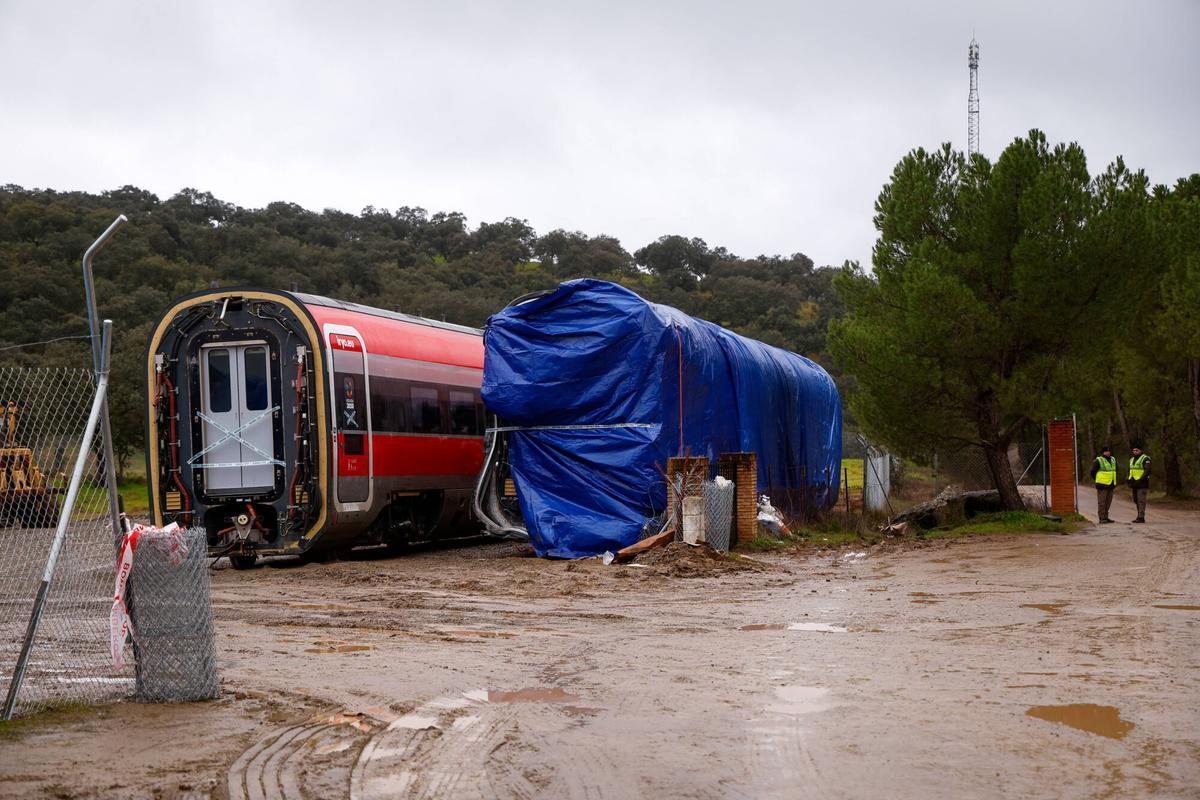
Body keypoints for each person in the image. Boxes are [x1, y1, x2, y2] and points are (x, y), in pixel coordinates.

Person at [1089, 445, 1117, 523]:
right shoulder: (1098, 460)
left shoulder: (1113, 459)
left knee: (1108, 502)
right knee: (1102, 502)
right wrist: (1097, 479)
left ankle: (1106, 517)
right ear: (1103, 452)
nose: (1108, 452)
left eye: (1109, 451)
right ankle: (1102, 518)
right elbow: (1092, 472)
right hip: (1102, 484)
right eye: (1106, 451)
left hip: (1111, 484)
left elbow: (1114, 471)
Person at [1127, 445, 1151, 523]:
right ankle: (1139, 516)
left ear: (1140, 450)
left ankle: (1141, 517)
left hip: (1142, 483)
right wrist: (1128, 479)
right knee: (1136, 500)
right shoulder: (1132, 459)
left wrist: (1141, 479)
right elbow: (1130, 470)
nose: (1135, 452)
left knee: (1141, 500)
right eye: (1134, 450)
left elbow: (1147, 470)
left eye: (1137, 450)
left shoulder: (1145, 459)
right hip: (1134, 483)